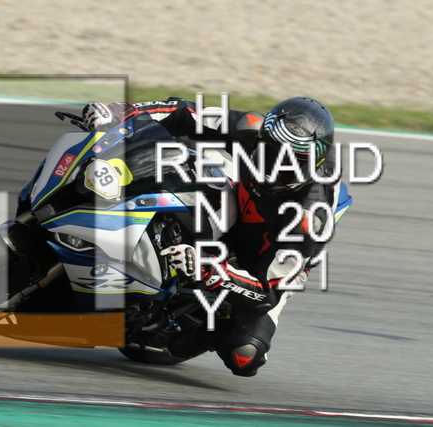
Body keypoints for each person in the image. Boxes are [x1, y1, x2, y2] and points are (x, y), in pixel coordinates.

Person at [81, 97, 342, 376]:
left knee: (245, 355)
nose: (276, 170)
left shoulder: (308, 216)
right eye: (270, 155)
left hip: (270, 261)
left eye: (290, 167)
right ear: (262, 140)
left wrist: (209, 270)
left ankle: (207, 328)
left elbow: (265, 294)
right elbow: (182, 111)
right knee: (183, 169)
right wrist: (120, 112)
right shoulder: (250, 128)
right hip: (239, 201)